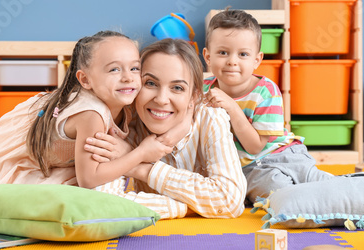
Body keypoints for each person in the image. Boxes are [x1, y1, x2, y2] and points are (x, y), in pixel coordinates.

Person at [0, 31, 179, 192]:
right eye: (114, 69)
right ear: (85, 80)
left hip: (59, 158)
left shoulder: (124, 94)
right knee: (88, 194)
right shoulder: (91, 115)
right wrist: (140, 153)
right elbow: (89, 179)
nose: (128, 77)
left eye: (134, 68)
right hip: (17, 160)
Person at [84, 38, 247, 219]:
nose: (161, 99)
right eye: (151, 83)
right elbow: (103, 202)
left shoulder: (211, 117)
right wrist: (187, 207)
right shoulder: (123, 124)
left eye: (177, 88)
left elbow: (230, 201)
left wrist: (138, 165)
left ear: (193, 97)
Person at [202, 9, 335, 204]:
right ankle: (306, 201)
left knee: (324, 183)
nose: (232, 61)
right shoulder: (203, 91)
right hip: (248, 168)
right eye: (223, 52)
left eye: (243, 54)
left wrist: (231, 107)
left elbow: (255, 146)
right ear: (207, 57)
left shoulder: (266, 91)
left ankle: (363, 188)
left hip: (282, 154)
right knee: (278, 194)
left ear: (257, 60)